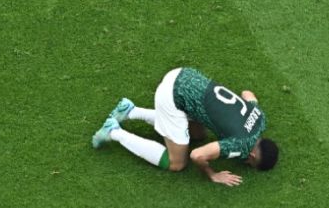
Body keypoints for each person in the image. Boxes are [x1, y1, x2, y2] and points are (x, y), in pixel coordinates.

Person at [91, 67, 279, 186]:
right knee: (177, 163)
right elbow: (197, 156)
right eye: (250, 163)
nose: (246, 162)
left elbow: (247, 94)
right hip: (171, 96)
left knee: (197, 136)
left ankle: (130, 111)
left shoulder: (260, 118)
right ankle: (113, 131)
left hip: (186, 75)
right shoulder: (242, 146)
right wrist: (212, 174)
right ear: (252, 155)